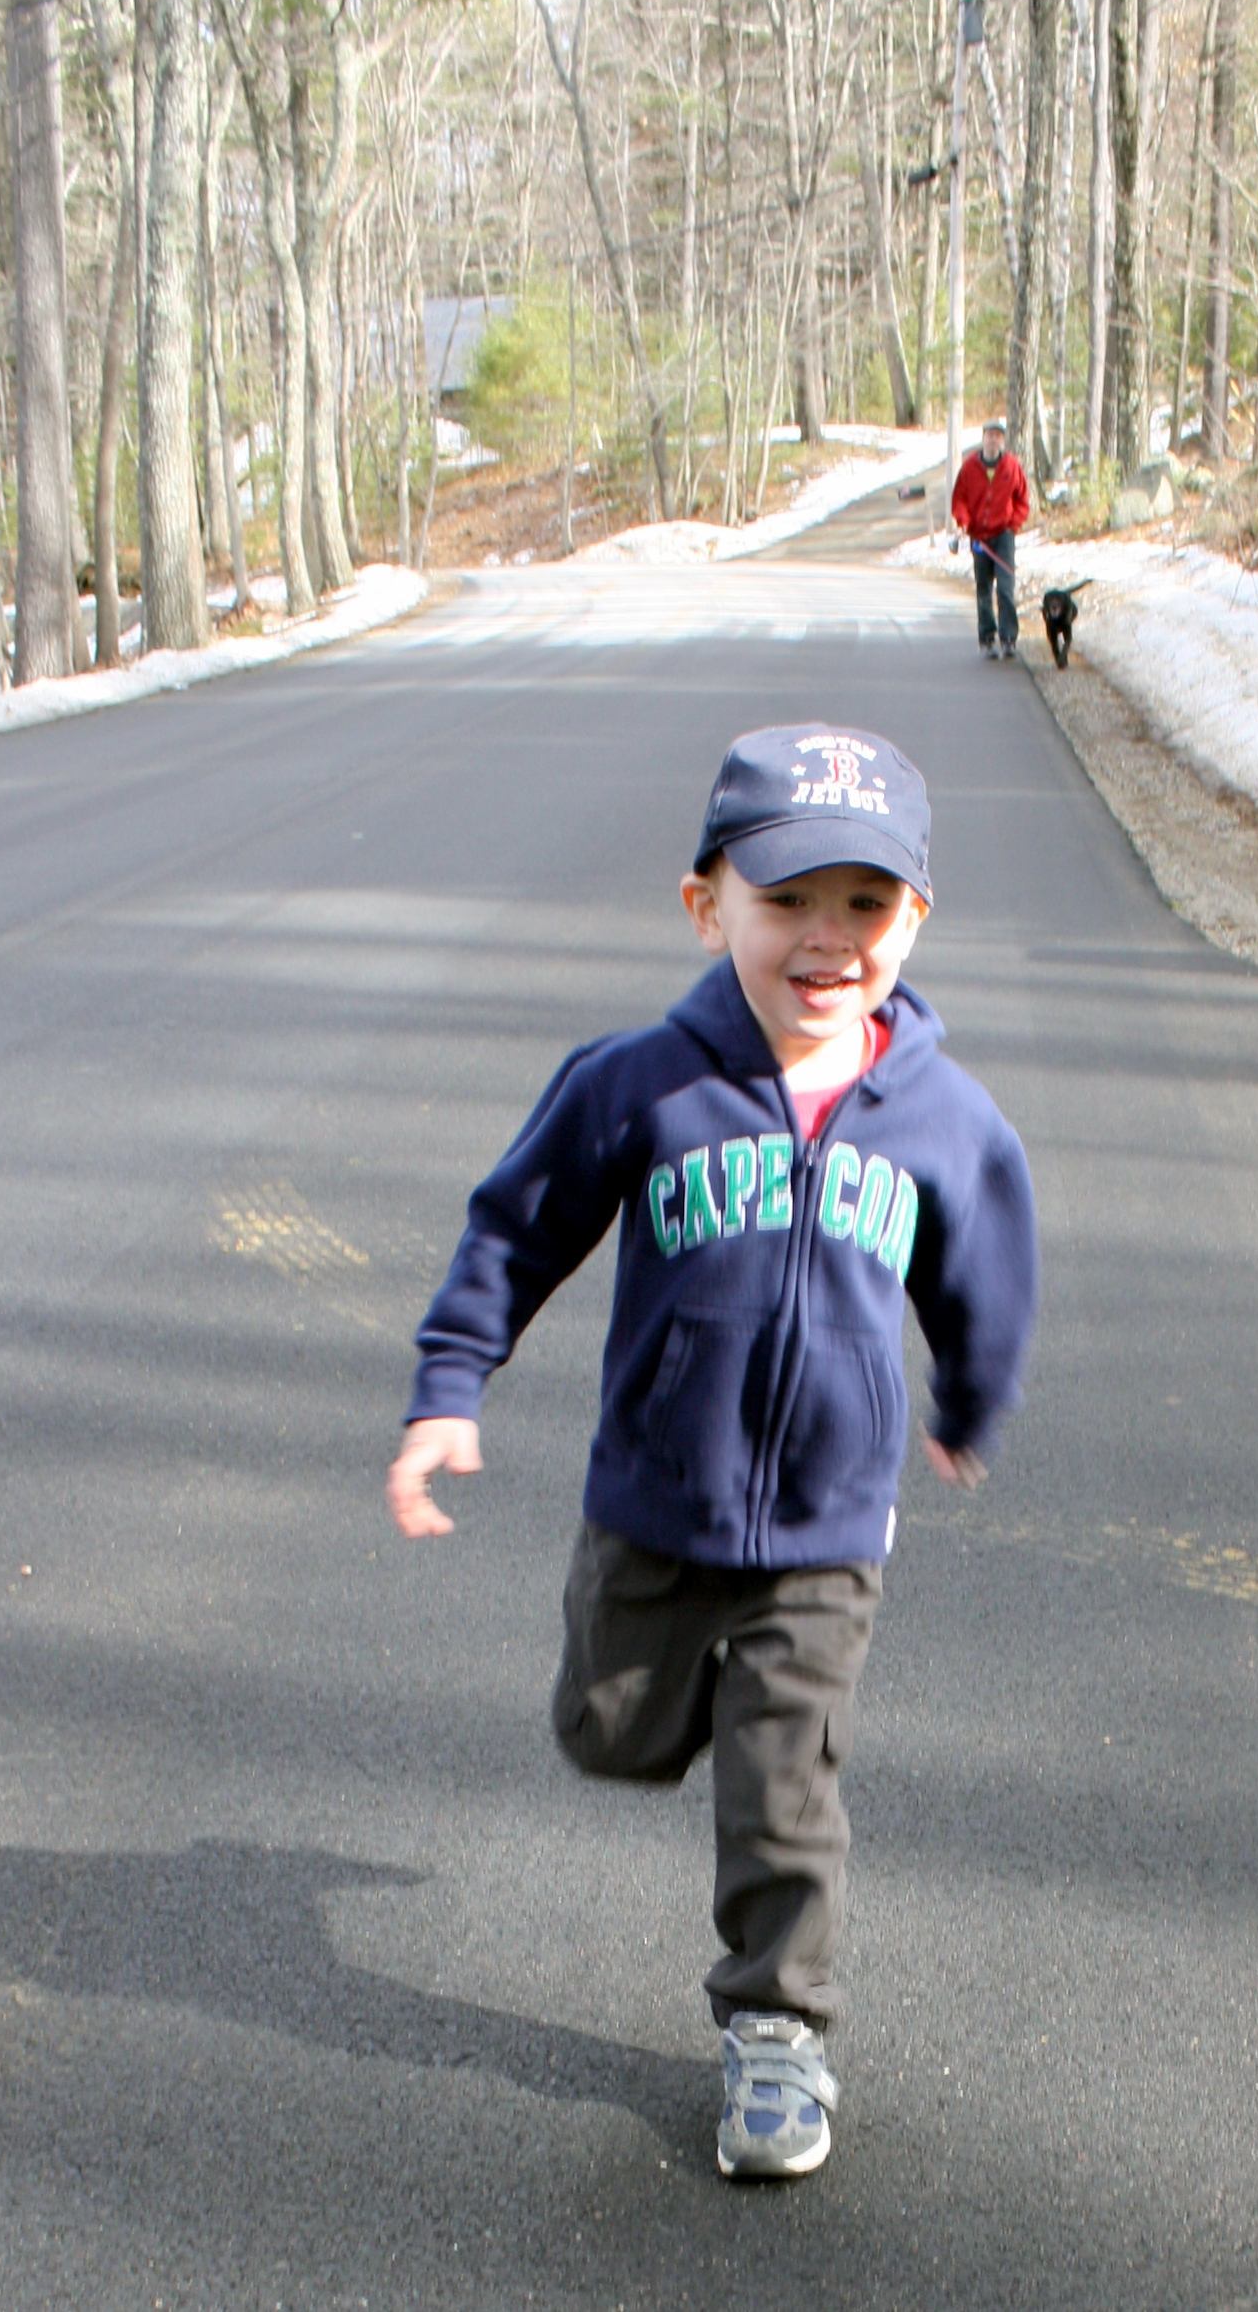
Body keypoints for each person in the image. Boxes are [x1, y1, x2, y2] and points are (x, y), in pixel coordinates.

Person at [386, 726, 1038, 2181]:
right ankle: (677, 1701)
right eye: (785, 898)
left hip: (827, 1526)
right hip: (655, 1499)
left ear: (913, 918)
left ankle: (776, 2027)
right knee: (606, 1732)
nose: (827, 937)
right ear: (706, 905)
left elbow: (986, 1267)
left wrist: (969, 1399)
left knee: (784, 1785)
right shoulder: (640, 1083)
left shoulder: (942, 1114)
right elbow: (513, 1230)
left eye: (865, 902)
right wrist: (449, 1385)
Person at [950, 419, 1030, 659]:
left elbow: (1022, 500)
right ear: (983, 438)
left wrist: (1013, 524)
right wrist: (964, 522)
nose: (993, 440)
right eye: (989, 435)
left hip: (1003, 535)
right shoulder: (969, 467)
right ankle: (986, 639)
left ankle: (1008, 639)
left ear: (1002, 440)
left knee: (1005, 588)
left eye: (997, 436)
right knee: (983, 588)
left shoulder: (1012, 466)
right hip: (979, 538)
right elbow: (959, 499)